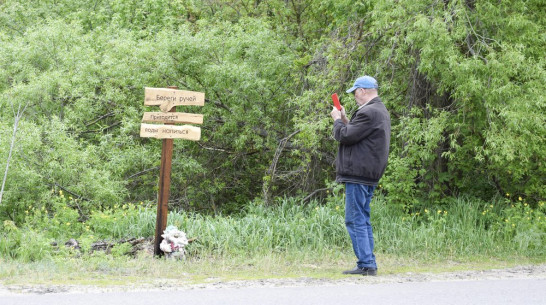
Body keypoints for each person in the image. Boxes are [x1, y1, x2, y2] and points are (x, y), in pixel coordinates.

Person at [330, 75, 391, 276]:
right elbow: (357, 132)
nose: (354, 96)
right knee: (362, 218)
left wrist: (338, 121)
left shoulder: (369, 112)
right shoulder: (378, 110)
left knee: (355, 219)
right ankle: (368, 262)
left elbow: (345, 136)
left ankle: (366, 264)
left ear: (363, 91)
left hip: (359, 173)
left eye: (355, 92)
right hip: (367, 173)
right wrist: (346, 119)